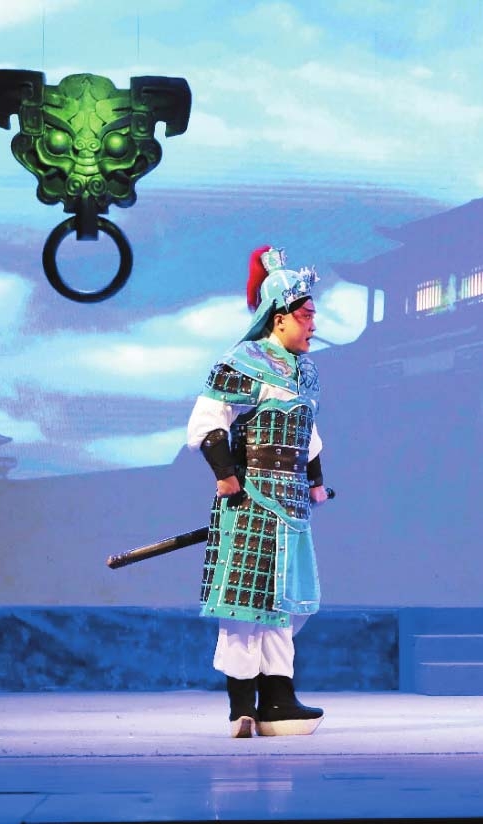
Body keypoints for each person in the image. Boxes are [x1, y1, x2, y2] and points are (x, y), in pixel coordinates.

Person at [186, 244, 330, 738]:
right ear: (279, 317)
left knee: (283, 605)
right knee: (245, 605)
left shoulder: (305, 372)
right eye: (307, 316)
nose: (313, 325)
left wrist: (316, 482)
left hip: (291, 505)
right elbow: (208, 421)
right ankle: (242, 707)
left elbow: (308, 434)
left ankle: (278, 701)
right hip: (250, 502)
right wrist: (225, 474)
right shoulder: (243, 362)